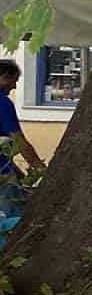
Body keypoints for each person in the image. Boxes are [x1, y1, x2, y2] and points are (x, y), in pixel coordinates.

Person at [0, 59, 43, 194]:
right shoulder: (3, 103)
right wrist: (39, 168)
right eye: (14, 81)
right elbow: (19, 142)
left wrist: (20, 178)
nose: (14, 87)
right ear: (4, 77)